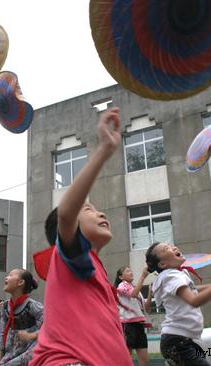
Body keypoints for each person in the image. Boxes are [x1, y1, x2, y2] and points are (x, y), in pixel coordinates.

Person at [30, 108, 132, 366]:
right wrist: (104, 150)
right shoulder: (71, 257)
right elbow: (65, 214)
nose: (100, 213)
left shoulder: (92, 266)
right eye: (88, 209)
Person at [146, 242, 211, 366]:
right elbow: (194, 301)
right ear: (162, 264)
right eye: (166, 248)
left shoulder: (178, 274)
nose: (173, 247)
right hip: (177, 341)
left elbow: (192, 289)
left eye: (171, 245)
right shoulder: (172, 276)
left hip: (181, 340)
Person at [0, 269, 42, 366]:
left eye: (10, 275)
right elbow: (2, 331)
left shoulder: (32, 306)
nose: (6, 277)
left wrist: (31, 335)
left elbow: (49, 326)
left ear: (21, 282)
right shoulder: (5, 306)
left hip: (29, 352)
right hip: (11, 352)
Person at [114, 266, 151, 366]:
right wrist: (143, 276)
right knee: (127, 359)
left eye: (131, 270)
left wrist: (150, 291)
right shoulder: (122, 286)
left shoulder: (136, 289)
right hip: (128, 324)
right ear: (121, 277)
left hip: (139, 325)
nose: (131, 272)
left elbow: (146, 308)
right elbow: (133, 294)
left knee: (144, 361)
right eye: (127, 271)